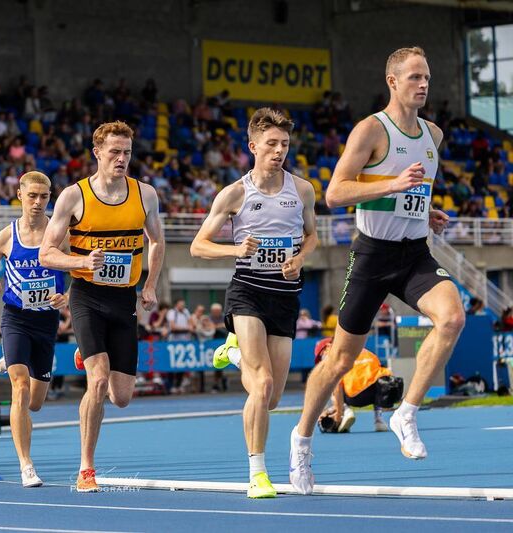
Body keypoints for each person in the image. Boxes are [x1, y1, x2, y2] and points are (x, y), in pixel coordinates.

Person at [289, 47, 465, 496]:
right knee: (341, 360)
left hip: (413, 255)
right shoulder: (371, 130)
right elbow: (336, 193)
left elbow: (412, 192)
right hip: (371, 258)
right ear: (392, 81)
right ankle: (302, 440)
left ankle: (406, 412)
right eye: (413, 78)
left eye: (426, 77)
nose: (422, 84)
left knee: (452, 318)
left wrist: (425, 212)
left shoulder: (434, 135)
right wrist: (393, 184)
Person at [191, 107, 318, 499]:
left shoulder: (302, 190)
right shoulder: (235, 194)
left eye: (284, 144)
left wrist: (299, 259)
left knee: (273, 397)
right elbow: (198, 246)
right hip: (247, 292)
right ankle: (257, 473)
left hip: (284, 297)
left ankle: (232, 353)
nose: (279, 151)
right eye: (271, 144)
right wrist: (235, 248)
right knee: (260, 385)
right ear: (252, 146)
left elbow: (312, 236)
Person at [39, 121, 165, 492]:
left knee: (121, 397)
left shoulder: (146, 195)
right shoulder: (73, 197)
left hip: (124, 298)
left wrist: (151, 284)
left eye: (127, 152)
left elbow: (157, 241)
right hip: (88, 296)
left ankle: (89, 354)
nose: (122, 159)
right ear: (97, 153)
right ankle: (86, 469)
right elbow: (47, 254)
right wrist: (80, 262)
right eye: (114, 152)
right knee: (97, 382)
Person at [0, 171, 68, 487]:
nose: (38, 202)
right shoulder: (5, 237)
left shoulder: (61, 235)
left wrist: (65, 296)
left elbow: (82, 273)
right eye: (33, 196)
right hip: (15, 317)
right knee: (20, 387)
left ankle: (15, 361)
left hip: (46, 322)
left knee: (36, 402)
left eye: (44, 197)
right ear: (20, 195)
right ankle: (26, 465)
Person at [313, 338, 402, 433]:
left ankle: (345, 411)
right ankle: (378, 420)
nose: (321, 360)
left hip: (354, 396)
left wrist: (338, 415)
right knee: (376, 379)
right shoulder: (363, 350)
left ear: (328, 347)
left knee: (331, 384)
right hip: (383, 391)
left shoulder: (333, 357)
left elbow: (337, 387)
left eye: (321, 355)